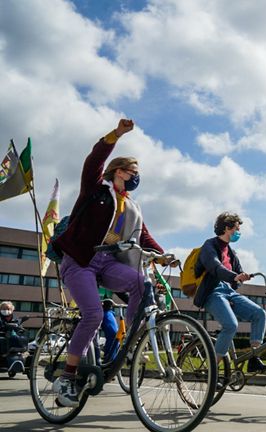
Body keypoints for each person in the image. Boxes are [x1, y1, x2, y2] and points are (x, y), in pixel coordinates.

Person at [51, 119, 167, 407]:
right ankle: (66, 376)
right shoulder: (95, 188)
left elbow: (143, 236)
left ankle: (131, 343)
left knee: (140, 282)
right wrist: (116, 134)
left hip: (106, 261)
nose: (137, 177)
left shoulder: (131, 205)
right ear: (118, 171)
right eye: (133, 172)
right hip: (79, 260)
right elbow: (94, 159)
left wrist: (162, 254)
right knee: (93, 315)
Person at [194, 212, 266, 373]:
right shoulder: (209, 246)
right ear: (227, 228)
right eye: (237, 229)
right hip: (213, 293)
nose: (239, 232)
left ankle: (254, 358)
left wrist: (242, 276)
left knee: (259, 313)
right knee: (231, 325)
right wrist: (235, 276)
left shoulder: (231, 252)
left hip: (229, 293)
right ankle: (211, 369)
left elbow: (238, 273)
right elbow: (215, 267)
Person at [0, 301, 26, 374]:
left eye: (8, 308)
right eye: (3, 308)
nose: (6, 310)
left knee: (20, 337)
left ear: (12, 310)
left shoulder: (16, 318)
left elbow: (19, 327)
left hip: (13, 338)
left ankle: (19, 355)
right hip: (2, 337)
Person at [100, 299, 119, 363]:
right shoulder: (110, 314)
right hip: (116, 334)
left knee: (109, 352)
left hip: (111, 335)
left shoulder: (104, 315)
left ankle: (108, 362)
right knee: (114, 351)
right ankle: (111, 362)